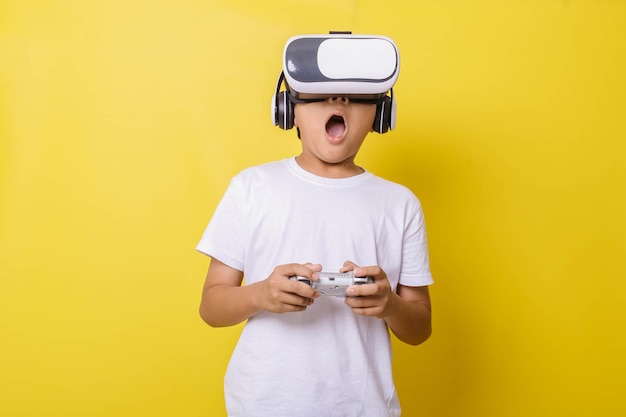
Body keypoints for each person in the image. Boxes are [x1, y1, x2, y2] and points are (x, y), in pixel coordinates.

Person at [197, 33, 433, 417]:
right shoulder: (251, 187)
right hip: (263, 405)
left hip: (364, 406)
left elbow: (420, 327)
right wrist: (261, 295)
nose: (338, 102)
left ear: (380, 115)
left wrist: (389, 304)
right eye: (320, 94)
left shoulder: (399, 204)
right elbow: (211, 306)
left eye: (355, 96)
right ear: (288, 110)